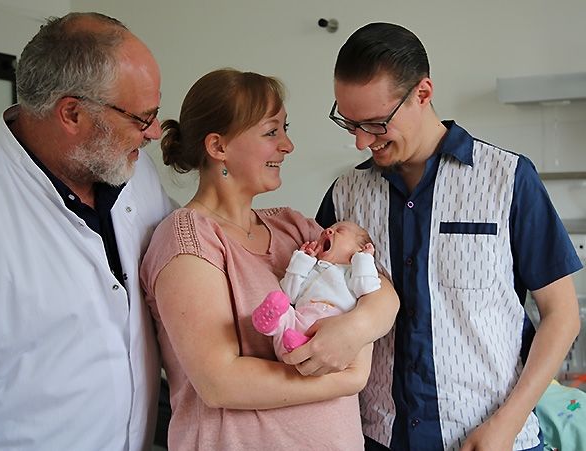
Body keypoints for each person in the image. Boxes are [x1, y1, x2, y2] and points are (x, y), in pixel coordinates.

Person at [315, 22, 583, 451]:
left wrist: (507, 424)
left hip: (494, 440)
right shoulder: (345, 196)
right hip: (378, 440)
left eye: (376, 123)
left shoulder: (508, 180)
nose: (362, 141)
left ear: (423, 93)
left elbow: (562, 316)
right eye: (349, 124)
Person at [139, 68, 400, 450]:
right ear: (218, 147)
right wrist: (349, 377)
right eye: (271, 132)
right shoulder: (187, 239)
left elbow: (381, 291)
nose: (288, 145)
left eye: (284, 129)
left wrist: (355, 330)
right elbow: (220, 382)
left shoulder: (292, 226)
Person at [0, 12, 177, 451]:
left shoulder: (132, 169)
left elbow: (185, 249)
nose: (154, 132)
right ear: (71, 113)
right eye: (142, 117)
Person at [253, 220, 381, 357]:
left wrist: (364, 259)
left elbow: (367, 288)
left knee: (329, 335)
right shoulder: (312, 269)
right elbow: (290, 294)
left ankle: (302, 344)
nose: (328, 231)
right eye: (327, 229)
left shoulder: (354, 273)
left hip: (331, 327)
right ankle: (269, 325)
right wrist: (302, 260)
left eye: (340, 231)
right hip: (299, 321)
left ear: (360, 248)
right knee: (286, 311)